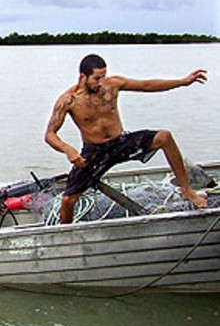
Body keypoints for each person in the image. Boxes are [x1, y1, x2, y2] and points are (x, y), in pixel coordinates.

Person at [44, 53, 208, 224]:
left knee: (164, 137)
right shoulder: (68, 100)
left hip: (121, 142)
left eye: (103, 76)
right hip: (95, 151)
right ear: (82, 76)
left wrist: (183, 81)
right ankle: (67, 233)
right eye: (96, 78)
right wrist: (68, 150)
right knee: (68, 200)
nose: (101, 83)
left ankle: (188, 191)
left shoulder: (113, 84)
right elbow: (50, 134)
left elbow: (147, 85)